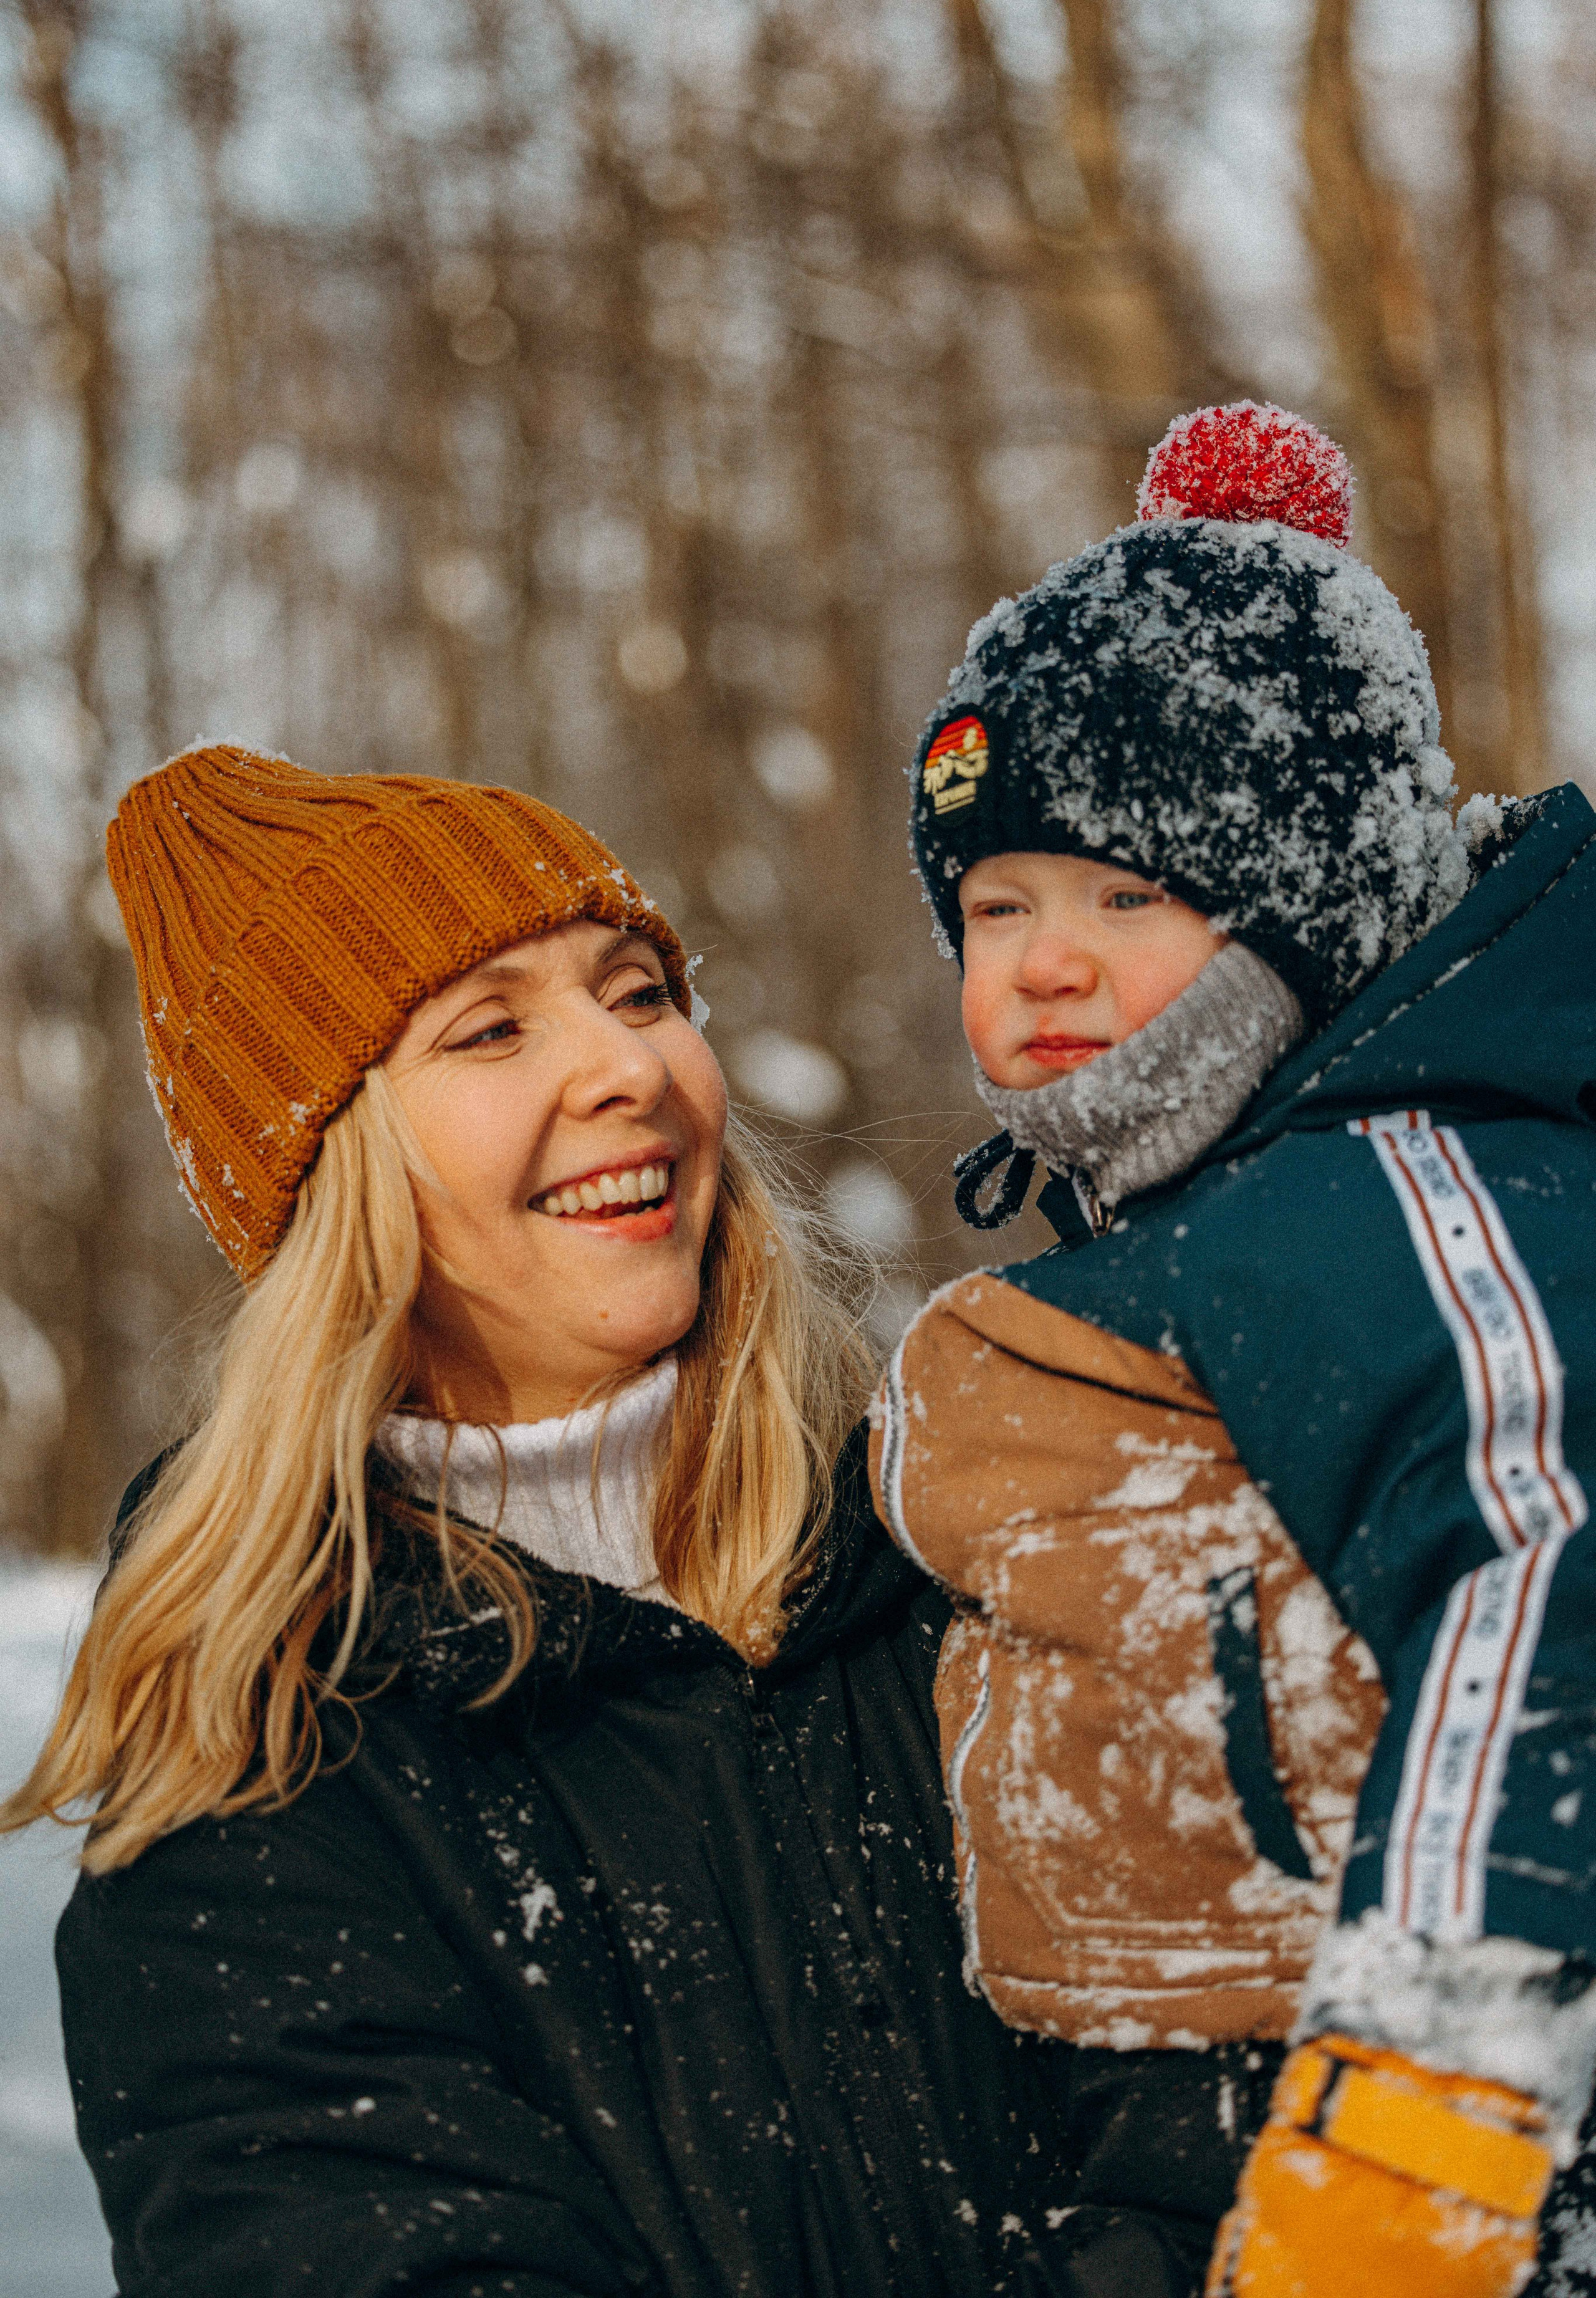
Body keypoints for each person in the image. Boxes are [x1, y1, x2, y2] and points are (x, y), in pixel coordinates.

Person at [2, 745, 1221, 2298]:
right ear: (335, 1176)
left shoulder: (959, 1548)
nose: (626, 1065)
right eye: (491, 1027)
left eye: (639, 990)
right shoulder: (259, 1758)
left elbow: (1227, 2102)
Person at [872, 402, 1596, 2298]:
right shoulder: (1192, 1218)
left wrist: (1426, 2115)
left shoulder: (1404, 1185)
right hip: (1160, 2125)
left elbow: (1539, 1558)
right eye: (997, 901)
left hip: (1396, 2129)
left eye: (1126, 895)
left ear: (1313, 911)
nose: (1037, 960)